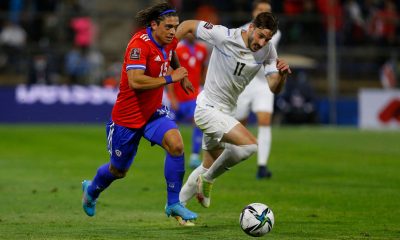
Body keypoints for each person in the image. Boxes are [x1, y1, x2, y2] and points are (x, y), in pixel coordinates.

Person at [81, 2, 197, 225]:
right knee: (118, 170)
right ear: (154, 25)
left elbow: (172, 52)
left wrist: (181, 74)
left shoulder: (169, 39)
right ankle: (92, 189)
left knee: (177, 145)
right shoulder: (138, 44)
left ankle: (173, 203)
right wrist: (170, 78)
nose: (173, 31)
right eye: (168, 26)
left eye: (176, 26)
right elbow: (135, 81)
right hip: (127, 118)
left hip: (153, 112)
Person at [176, 12, 291, 208]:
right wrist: (166, 52)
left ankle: (176, 205)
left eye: (268, 39)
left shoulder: (268, 51)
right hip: (208, 109)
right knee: (250, 146)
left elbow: (273, 87)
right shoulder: (224, 35)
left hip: (226, 112)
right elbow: (187, 25)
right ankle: (209, 180)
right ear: (252, 28)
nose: (263, 42)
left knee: (207, 164)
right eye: (261, 36)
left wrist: (282, 76)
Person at [235, 0, 281, 179]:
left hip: (263, 83)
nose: (264, 13)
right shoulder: (240, 32)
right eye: (261, 10)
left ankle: (262, 166)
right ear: (254, 12)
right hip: (244, 82)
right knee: (239, 123)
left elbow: (261, 49)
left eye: (267, 11)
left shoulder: (274, 34)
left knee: (264, 120)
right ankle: (228, 155)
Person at [166, 33, 208, 169]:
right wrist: (172, 97)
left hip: (193, 96)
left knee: (198, 122)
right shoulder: (177, 49)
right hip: (178, 97)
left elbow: (204, 69)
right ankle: (173, 155)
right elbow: (169, 73)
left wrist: (203, 85)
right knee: (170, 128)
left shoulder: (202, 49)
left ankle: (195, 156)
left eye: (193, 32)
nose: (191, 35)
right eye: (188, 32)